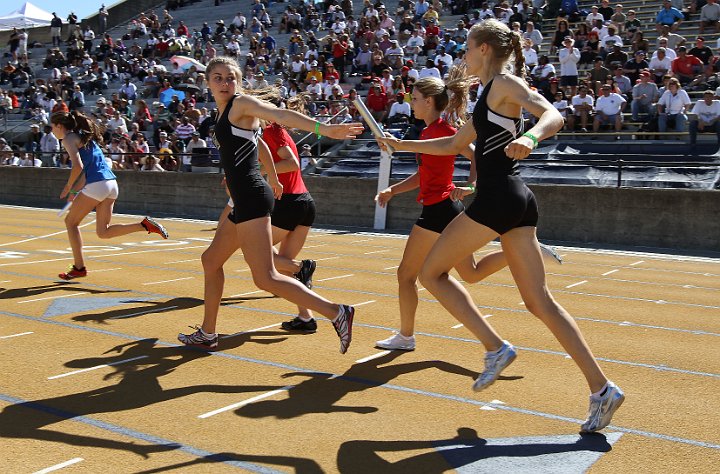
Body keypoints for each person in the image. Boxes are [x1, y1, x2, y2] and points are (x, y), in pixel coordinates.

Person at [376, 19, 624, 434]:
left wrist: (532, 139)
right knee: (539, 302)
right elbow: (455, 145)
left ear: (485, 49)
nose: (464, 55)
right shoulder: (487, 96)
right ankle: (603, 390)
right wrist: (403, 145)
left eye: (468, 48)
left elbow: (552, 114)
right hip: (515, 201)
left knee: (431, 273)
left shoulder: (506, 84)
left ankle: (495, 347)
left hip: (498, 199)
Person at [177, 57, 364, 353]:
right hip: (247, 195)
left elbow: (280, 114)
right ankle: (208, 333)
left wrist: (324, 130)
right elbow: (258, 143)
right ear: (208, 82)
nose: (225, 83)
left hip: (251, 196)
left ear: (238, 81)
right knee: (211, 260)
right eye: (218, 77)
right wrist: (274, 177)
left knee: (265, 277)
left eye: (230, 78)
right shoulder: (224, 111)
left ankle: (337, 312)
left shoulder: (241, 104)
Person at [50, 111, 169, 280]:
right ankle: (144, 225)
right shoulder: (84, 137)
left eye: (52, 127)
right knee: (103, 232)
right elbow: (86, 171)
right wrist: (74, 191)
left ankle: (79, 267)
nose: (52, 130)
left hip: (98, 184)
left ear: (60, 126)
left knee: (71, 223)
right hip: (111, 184)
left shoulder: (68, 139)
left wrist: (69, 187)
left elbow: (78, 166)